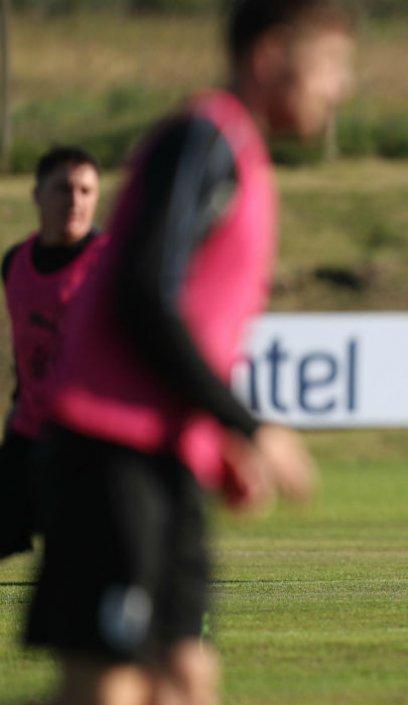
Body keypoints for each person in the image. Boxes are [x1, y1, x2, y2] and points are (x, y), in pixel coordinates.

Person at [23, 2, 355, 704]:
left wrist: (213, 434)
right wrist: (249, 423)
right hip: (110, 447)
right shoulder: (203, 138)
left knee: (184, 681)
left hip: (168, 454)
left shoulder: (240, 154)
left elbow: (190, 317)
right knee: (106, 690)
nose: (342, 87)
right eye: (329, 64)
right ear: (268, 57)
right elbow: (142, 293)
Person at [0, 146, 105, 560]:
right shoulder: (14, 263)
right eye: (63, 188)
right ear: (37, 194)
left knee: (85, 556)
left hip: (89, 439)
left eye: (85, 190)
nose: (75, 201)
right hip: (28, 430)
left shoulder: (110, 263)